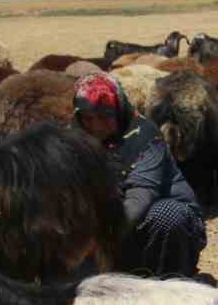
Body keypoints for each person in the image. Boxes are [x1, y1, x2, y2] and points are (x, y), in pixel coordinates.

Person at [73, 72, 208, 280]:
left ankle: (170, 279)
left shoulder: (144, 137)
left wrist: (101, 240)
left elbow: (140, 195)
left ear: (118, 111)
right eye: (88, 118)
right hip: (108, 230)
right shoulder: (73, 138)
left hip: (153, 226)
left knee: (167, 214)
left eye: (103, 117)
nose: (96, 125)